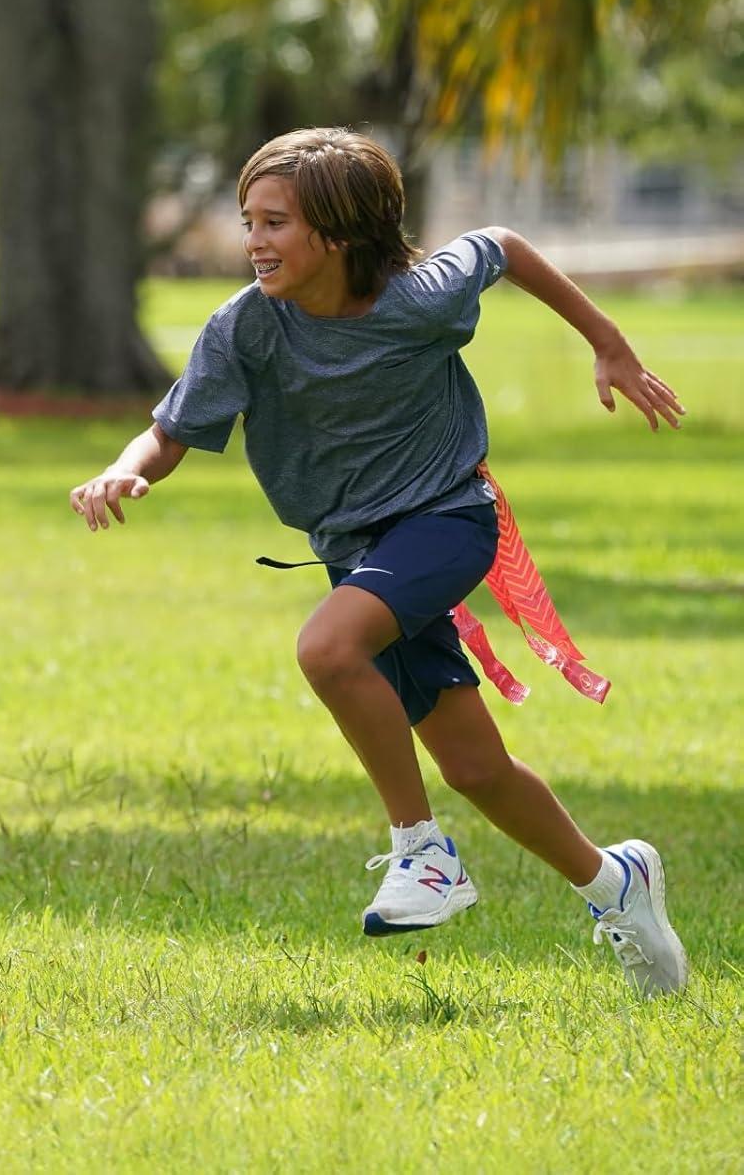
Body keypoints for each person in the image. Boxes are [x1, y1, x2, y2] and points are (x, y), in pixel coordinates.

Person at [70, 127, 688, 998]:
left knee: (328, 649)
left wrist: (609, 341)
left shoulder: (419, 299)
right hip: (358, 552)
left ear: (340, 233)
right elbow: (170, 432)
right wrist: (124, 469)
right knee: (476, 768)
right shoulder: (246, 326)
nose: (254, 240)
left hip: (448, 518)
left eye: (276, 222)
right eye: (249, 220)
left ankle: (421, 852)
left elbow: (504, 246)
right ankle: (613, 883)